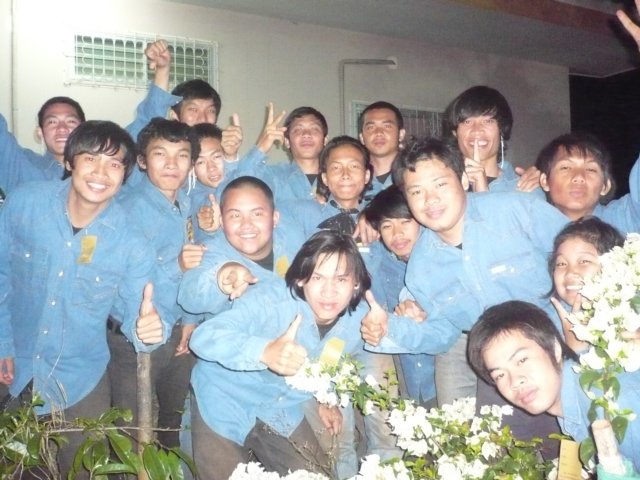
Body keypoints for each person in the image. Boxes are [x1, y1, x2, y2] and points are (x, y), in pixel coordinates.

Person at [0, 120, 168, 478]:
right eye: (90, 158)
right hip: (13, 362)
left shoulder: (131, 242)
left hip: (78, 376)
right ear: (69, 162)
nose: (101, 173)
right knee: (14, 468)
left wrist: (149, 329)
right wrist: (3, 342)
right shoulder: (25, 204)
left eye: (114, 163)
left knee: (85, 470)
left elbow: (138, 313)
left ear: (125, 174)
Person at [361, 137, 568, 404]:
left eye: (440, 184)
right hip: (504, 380)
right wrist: (389, 328)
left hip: (567, 350)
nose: (430, 199)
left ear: (462, 180)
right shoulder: (421, 271)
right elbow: (442, 334)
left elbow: (583, 256)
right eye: (417, 192)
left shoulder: (517, 211)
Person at [188, 230, 373, 480]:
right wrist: (264, 351)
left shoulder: (359, 320)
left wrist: (324, 397)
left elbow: (332, 360)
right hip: (224, 397)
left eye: (341, 279)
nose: (329, 292)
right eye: (317, 277)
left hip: (279, 409)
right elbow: (203, 337)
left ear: (356, 283)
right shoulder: (271, 300)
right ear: (301, 279)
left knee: (316, 477)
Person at [108, 118, 202, 449]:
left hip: (177, 332)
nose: (172, 164)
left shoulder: (183, 203)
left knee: (171, 425)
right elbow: (128, 280)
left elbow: (192, 268)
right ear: (143, 161)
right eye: (161, 154)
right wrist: (176, 266)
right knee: (132, 434)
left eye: (182, 155)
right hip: (135, 333)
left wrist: (189, 320)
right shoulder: (129, 209)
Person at [467, 300, 640, 471]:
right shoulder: (572, 399)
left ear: (555, 349)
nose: (515, 382)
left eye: (522, 360)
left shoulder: (614, 405)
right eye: (500, 375)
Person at [177, 176, 305, 317]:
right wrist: (220, 277)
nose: (246, 225)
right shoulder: (212, 251)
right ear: (222, 222)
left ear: (275, 218)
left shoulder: (291, 234)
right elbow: (189, 297)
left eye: (257, 214)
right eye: (235, 215)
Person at [362, 186, 435, 408]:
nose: (397, 234)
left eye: (405, 222)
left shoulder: (441, 258)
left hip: (447, 374)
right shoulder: (379, 261)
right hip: (408, 380)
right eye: (387, 226)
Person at [443, 85, 541, 194]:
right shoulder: (441, 185)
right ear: (455, 132)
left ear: (501, 130)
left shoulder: (524, 187)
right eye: (467, 122)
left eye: (488, 121)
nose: (477, 130)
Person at [536, 132, 640, 234]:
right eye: (565, 167)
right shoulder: (533, 227)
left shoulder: (622, 219)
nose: (579, 177)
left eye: (591, 169)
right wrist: (529, 190)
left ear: (605, 186)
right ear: (544, 181)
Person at [547, 217, 625, 353]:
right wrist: (574, 350)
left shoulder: (632, 314)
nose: (570, 272)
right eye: (561, 264)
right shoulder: (548, 329)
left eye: (584, 261)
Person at [235, 104, 329, 203]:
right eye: (298, 130)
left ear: (325, 140)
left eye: (314, 129)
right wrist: (261, 147)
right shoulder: (274, 177)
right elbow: (239, 186)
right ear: (287, 142)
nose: (306, 134)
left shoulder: (337, 178)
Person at [1, 96, 85, 193]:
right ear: (40, 132)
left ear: (84, 130)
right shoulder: (21, 166)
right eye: (52, 122)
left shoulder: (97, 170)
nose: (62, 128)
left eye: (71, 121)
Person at [357, 101, 405, 201]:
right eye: (371, 127)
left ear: (401, 134)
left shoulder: (414, 174)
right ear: (362, 138)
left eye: (387, 126)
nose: (378, 133)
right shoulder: (353, 180)